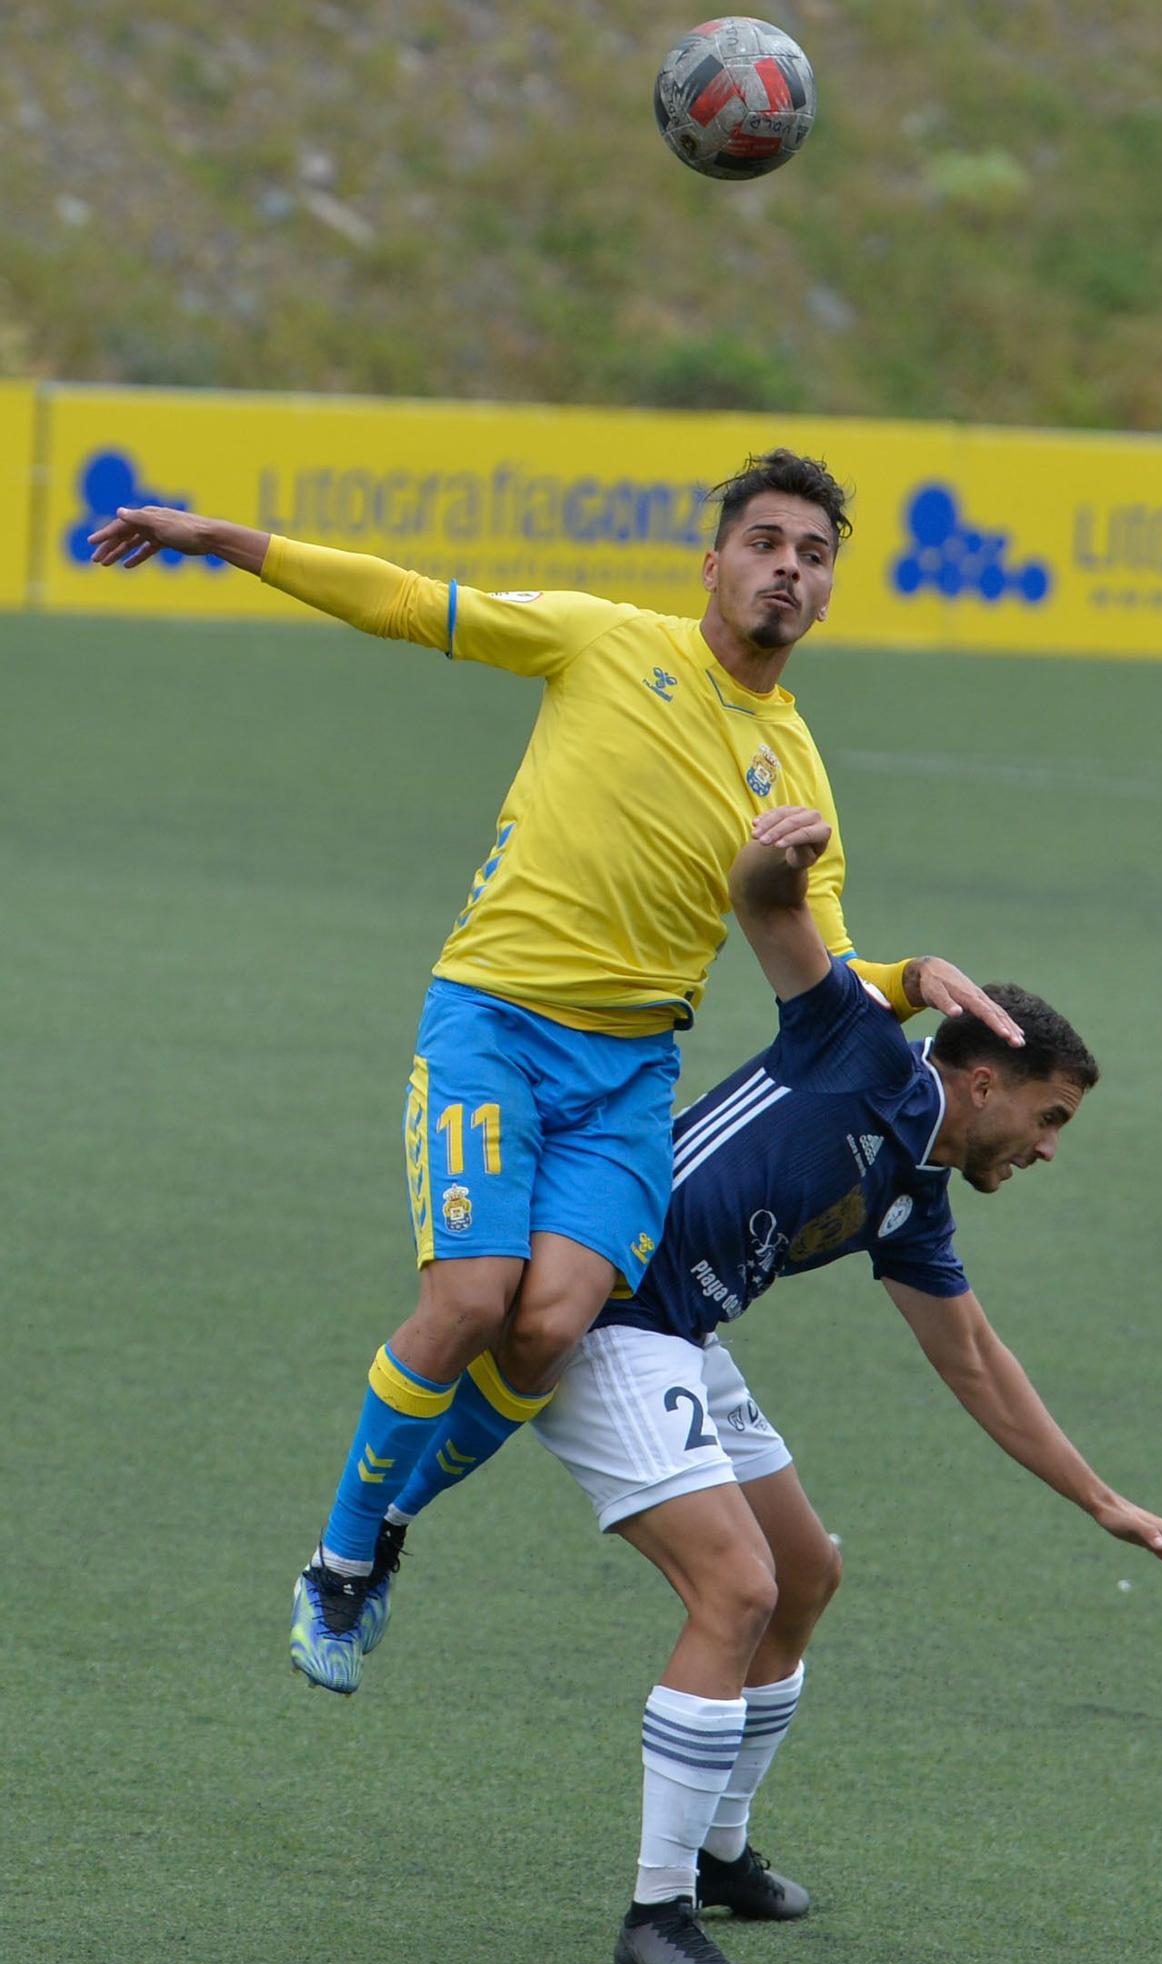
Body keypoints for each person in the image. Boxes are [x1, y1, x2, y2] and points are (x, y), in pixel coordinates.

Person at [89, 452, 1021, 1697]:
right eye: (764, 542)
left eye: (811, 553)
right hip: (491, 1023)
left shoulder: (796, 773)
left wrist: (912, 977)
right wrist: (217, 535)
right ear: (713, 562)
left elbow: (832, 968)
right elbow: (408, 601)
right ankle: (340, 1551)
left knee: (548, 1325)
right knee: (470, 1301)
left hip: (629, 1067)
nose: (786, 568)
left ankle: (394, 1521)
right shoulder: (600, 641)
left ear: (827, 589)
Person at [383, 805, 1162, 1964]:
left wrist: (1103, 1502)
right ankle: (654, 1908)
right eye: (1047, 1117)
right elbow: (767, 910)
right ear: (980, 1080)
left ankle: (718, 1855)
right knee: (736, 1586)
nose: (1046, 1149)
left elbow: (971, 1355)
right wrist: (782, 857)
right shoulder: (860, 1049)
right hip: (609, 1309)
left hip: (678, 1332)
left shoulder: (914, 1196)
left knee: (805, 1570)